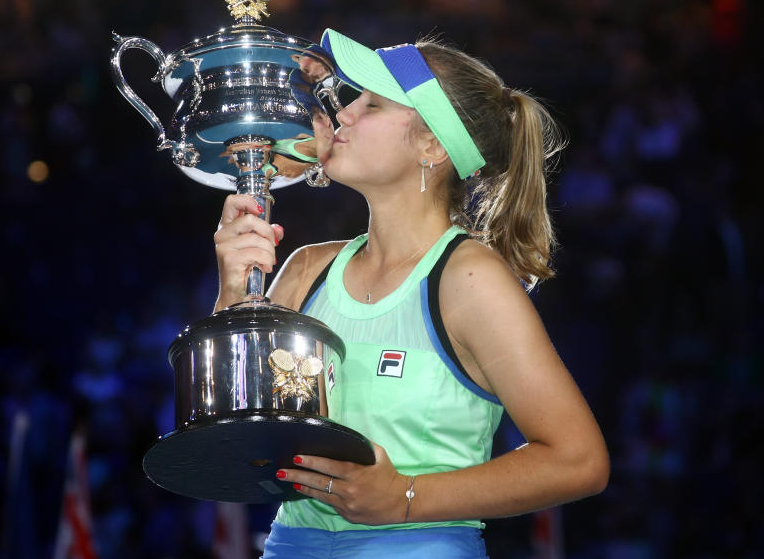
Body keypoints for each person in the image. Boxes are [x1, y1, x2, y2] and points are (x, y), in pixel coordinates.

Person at [213, 29, 609, 558]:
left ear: (432, 145)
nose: (344, 114)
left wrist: (405, 498)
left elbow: (579, 460)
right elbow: (231, 439)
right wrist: (234, 293)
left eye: (371, 104)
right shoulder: (306, 267)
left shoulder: (471, 281)